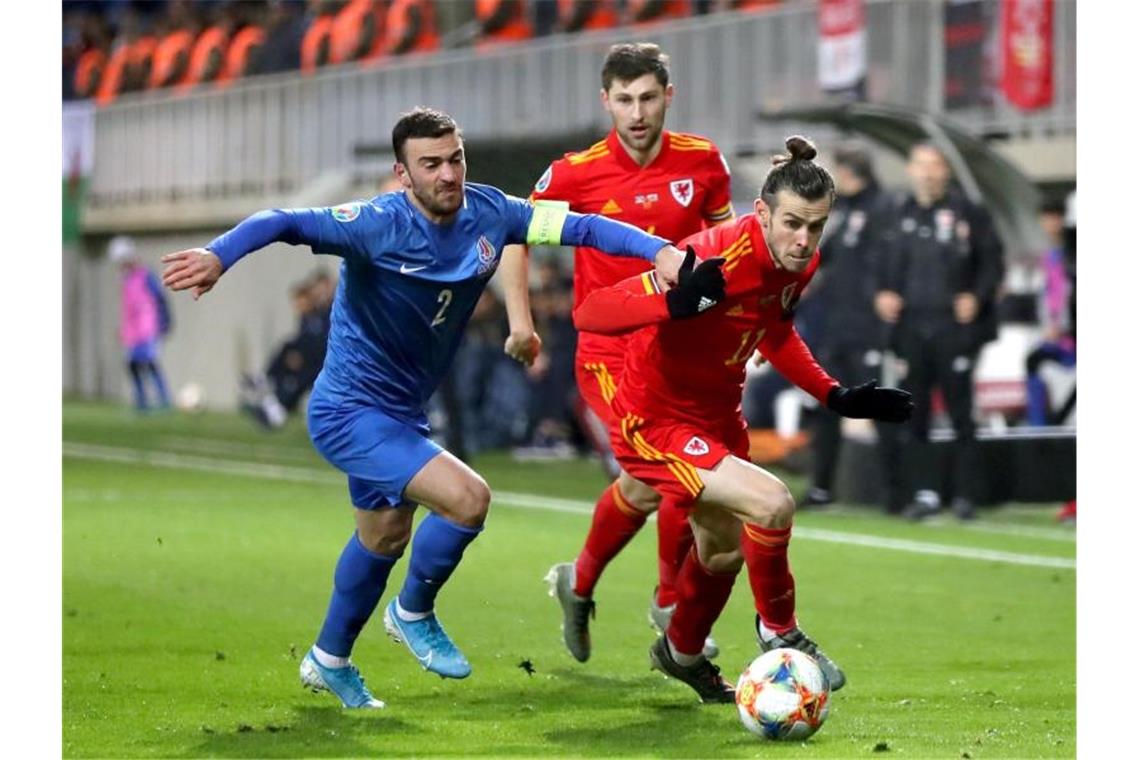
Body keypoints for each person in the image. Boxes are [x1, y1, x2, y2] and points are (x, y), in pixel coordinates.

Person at [161, 107, 687, 710]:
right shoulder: (373, 224)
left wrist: (660, 252)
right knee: (468, 499)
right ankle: (413, 612)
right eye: (430, 164)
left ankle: (328, 659)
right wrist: (219, 254)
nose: (447, 174)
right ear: (402, 174)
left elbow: (586, 229)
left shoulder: (494, 213)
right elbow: (281, 221)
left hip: (403, 413)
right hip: (348, 411)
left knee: (383, 538)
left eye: (455, 158)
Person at [573, 136, 913, 702]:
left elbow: (774, 330)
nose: (803, 240)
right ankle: (780, 631)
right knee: (773, 503)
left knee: (722, 550)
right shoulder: (710, 257)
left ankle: (680, 654)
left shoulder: (799, 263)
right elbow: (591, 312)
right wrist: (673, 300)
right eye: (792, 224)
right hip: (655, 420)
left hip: (716, 418)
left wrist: (834, 396)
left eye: (816, 226)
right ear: (761, 214)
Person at [501, 42, 734, 663]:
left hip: (680, 350)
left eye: (648, 98)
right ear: (606, 101)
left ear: (668, 97)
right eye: (624, 100)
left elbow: (722, 250)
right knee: (662, 472)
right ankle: (666, 602)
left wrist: (741, 327)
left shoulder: (704, 163)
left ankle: (578, 582)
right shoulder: (575, 174)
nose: (637, 112)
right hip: (607, 355)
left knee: (653, 481)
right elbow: (516, 239)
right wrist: (522, 323)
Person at [873, 142, 1004, 522]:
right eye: (921, 166)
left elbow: (992, 261)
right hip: (911, 327)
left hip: (953, 327)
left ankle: (965, 495)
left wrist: (977, 298)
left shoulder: (969, 212)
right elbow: (877, 266)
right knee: (915, 415)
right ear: (911, 170)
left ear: (946, 171)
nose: (928, 173)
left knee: (962, 412)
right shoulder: (897, 213)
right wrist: (881, 294)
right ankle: (925, 493)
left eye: (935, 166)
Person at [800, 144, 906, 514]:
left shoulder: (883, 209)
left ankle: (897, 493)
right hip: (836, 326)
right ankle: (821, 488)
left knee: (880, 406)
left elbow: (893, 263)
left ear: (847, 173)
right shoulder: (840, 210)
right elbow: (822, 256)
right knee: (827, 405)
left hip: (870, 329)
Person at [109, 235, 173, 413]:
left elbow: (159, 299)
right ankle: (141, 401)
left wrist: (165, 322)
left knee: (150, 362)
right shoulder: (125, 280)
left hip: (148, 327)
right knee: (133, 366)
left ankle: (164, 399)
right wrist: (123, 329)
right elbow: (128, 307)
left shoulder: (145, 276)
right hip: (133, 331)